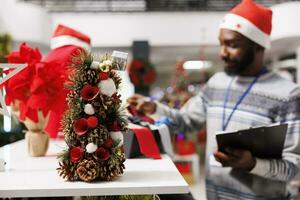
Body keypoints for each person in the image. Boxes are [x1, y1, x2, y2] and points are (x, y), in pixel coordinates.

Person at [128, 0, 300, 199]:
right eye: (221, 43)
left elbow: (294, 167)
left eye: (232, 45)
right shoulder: (216, 83)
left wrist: (252, 163)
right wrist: (154, 108)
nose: (222, 53)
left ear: (257, 46)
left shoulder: (287, 94)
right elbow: (186, 122)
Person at [43, 24, 91, 139]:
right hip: (67, 107)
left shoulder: (50, 54)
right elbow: (83, 81)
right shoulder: (77, 50)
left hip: (48, 110)